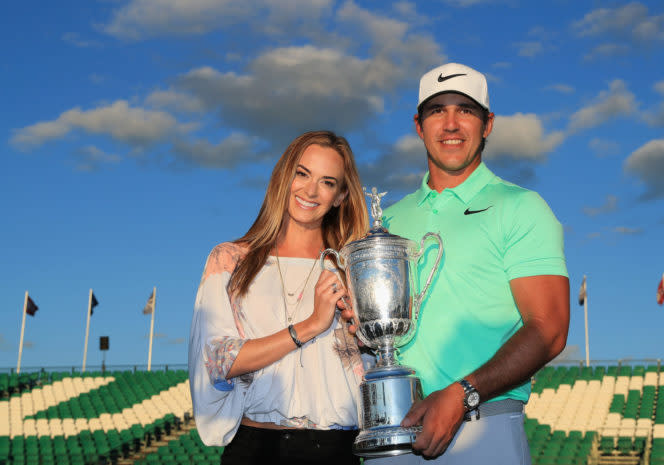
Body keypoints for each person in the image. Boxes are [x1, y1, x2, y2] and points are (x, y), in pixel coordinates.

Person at [373, 63, 570, 464]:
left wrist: (464, 393)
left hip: (484, 430)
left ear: (488, 123)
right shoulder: (385, 222)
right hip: (391, 436)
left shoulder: (521, 207)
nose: (450, 124)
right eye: (436, 111)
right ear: (418, 125)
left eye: (465, 110)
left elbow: (549, 329)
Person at [188, 130, 370, 464]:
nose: (311, 191)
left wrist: (363, 332)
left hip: (337, 449)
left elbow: (375, 364)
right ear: (284, 177)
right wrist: (310, 325)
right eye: (302, 174)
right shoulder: (230, 260)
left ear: (341, 196)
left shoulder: (353, 267)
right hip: (256, 447)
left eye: (328, 182)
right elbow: (217, 359)